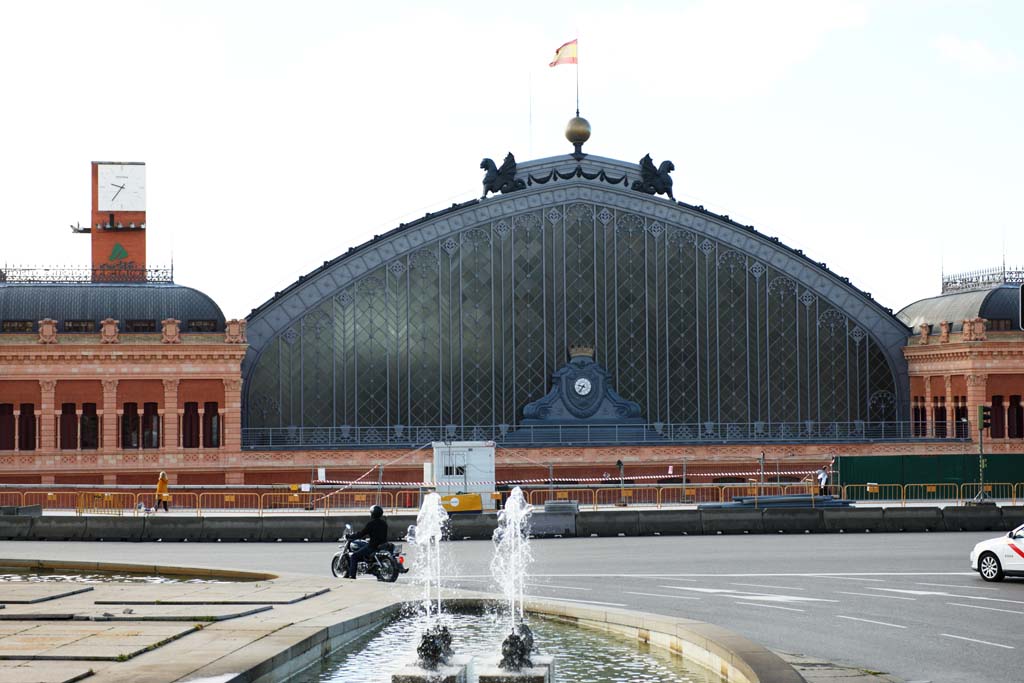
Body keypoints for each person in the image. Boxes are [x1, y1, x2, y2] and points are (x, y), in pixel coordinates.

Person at [346, 504, 388, 579]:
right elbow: (377, 533)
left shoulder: (371, 524)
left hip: (373, 546)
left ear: (372, 514)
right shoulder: (384, 523)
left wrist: (350, 536)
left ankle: (352, 576)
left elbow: (361, 534)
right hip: (383, 544)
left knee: (354, 556)